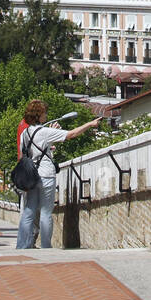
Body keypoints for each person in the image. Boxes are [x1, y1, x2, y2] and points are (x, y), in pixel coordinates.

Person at [16, 100, 99, 251]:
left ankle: (22, 245)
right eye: (44, 113)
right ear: (39, 115)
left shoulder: (24, 134)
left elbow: (24, 155)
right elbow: (71, 134)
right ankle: (46, 246)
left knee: (29, 210)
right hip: (46, 175)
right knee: (46, 212)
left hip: (30, 176)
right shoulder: (44, 132)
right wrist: (90, 124)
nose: (46, 115)